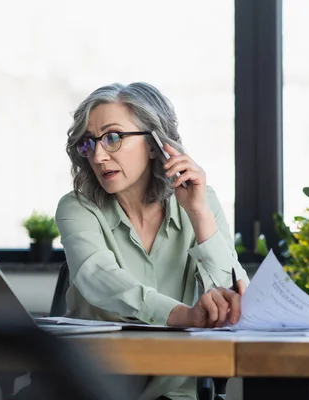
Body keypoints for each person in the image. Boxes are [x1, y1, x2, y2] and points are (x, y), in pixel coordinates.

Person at [55, 82, 249, 400]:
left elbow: (236, 295)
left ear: (153, 143)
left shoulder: (202, 200)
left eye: (113, 137)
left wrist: (198, 212)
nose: (99, 156)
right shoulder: (77, 206)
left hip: (178, 390)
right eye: (89, 143)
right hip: (96, 386)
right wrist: (180, 315)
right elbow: (96, 277)